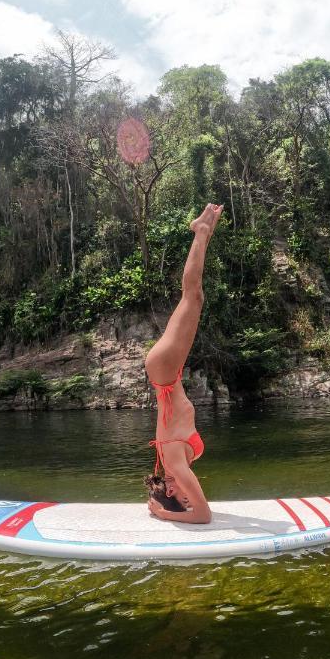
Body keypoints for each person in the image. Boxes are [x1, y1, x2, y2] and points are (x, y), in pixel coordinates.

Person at [144, 202, 223, 523]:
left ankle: (201, 231)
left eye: (184, 501)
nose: (192, 500)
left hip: (164, 372)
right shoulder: (175, 464)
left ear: (174, 492)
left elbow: (204, 516)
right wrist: (168, 508)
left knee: (193, 296)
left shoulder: (175, 465)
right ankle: (204, 230)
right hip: (167, 373)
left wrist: (164, 514)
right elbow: (199, 511)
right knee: (193, 297)